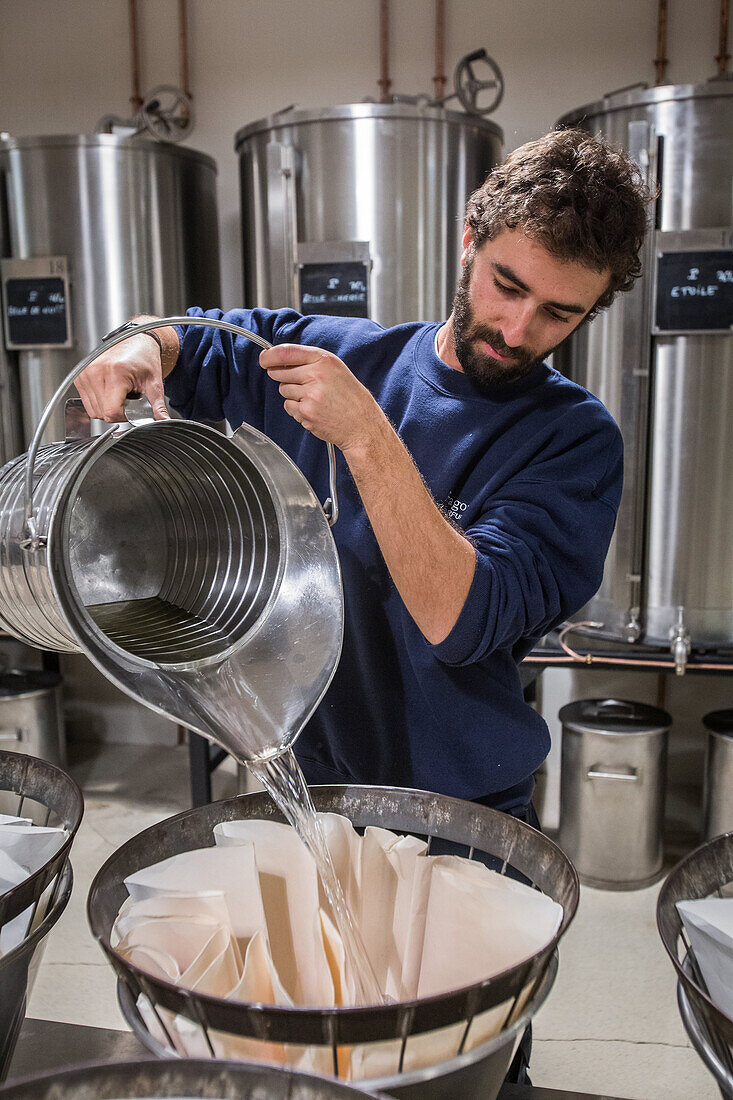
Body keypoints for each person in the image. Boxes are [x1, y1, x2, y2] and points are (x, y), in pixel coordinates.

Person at [76, 127, 650, 821]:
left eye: (559, 313)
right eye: (507, 285)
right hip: (302, 777)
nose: (516, 328)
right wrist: (137, 346)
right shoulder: (341, 354)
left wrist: (366, 437)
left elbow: (460, 621)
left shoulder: (573, 442)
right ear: (469, 240)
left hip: (459, 806)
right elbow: (188, 336)